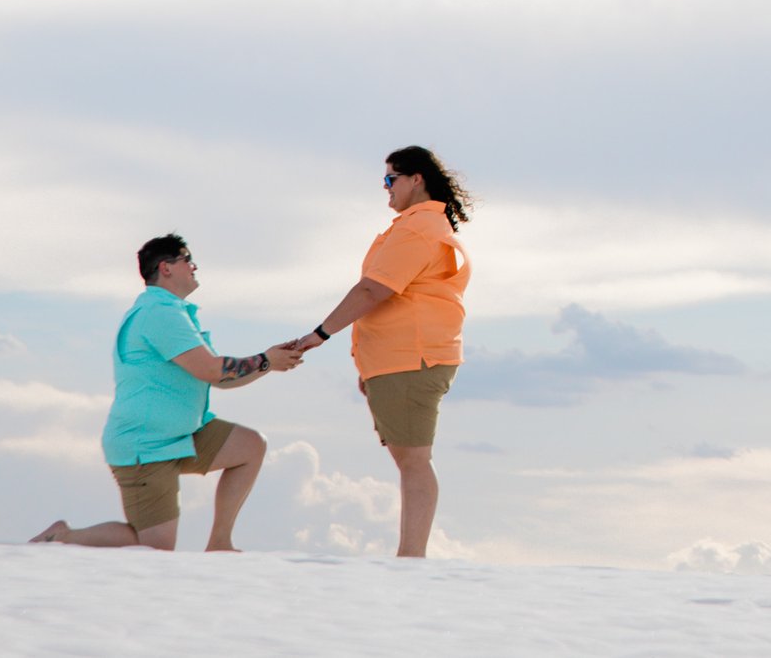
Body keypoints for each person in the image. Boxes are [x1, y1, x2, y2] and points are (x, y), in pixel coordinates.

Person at [31, 235, 305, 551]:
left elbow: (221, 378)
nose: (194, 266)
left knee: (249, 446)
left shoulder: (170, 312)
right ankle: (65, 537)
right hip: (145, 446)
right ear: (166, 268)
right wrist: (267, 360)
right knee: (154, 549)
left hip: (182, 435)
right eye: (186, 258)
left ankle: (220, 543)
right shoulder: (159, 313)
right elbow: (213, 370)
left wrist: (268, 363)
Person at [293, 146, 472, 558]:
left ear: (416, 180)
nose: (386, 189)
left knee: (414, 462)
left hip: (412, 359)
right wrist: (370, 366)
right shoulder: (425, 227)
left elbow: (374, 289)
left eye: (391, 180)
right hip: (404, 360)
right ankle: (411, 555)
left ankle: (411, 557)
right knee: (411, 460)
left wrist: (318, 335)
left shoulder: (416, 229)